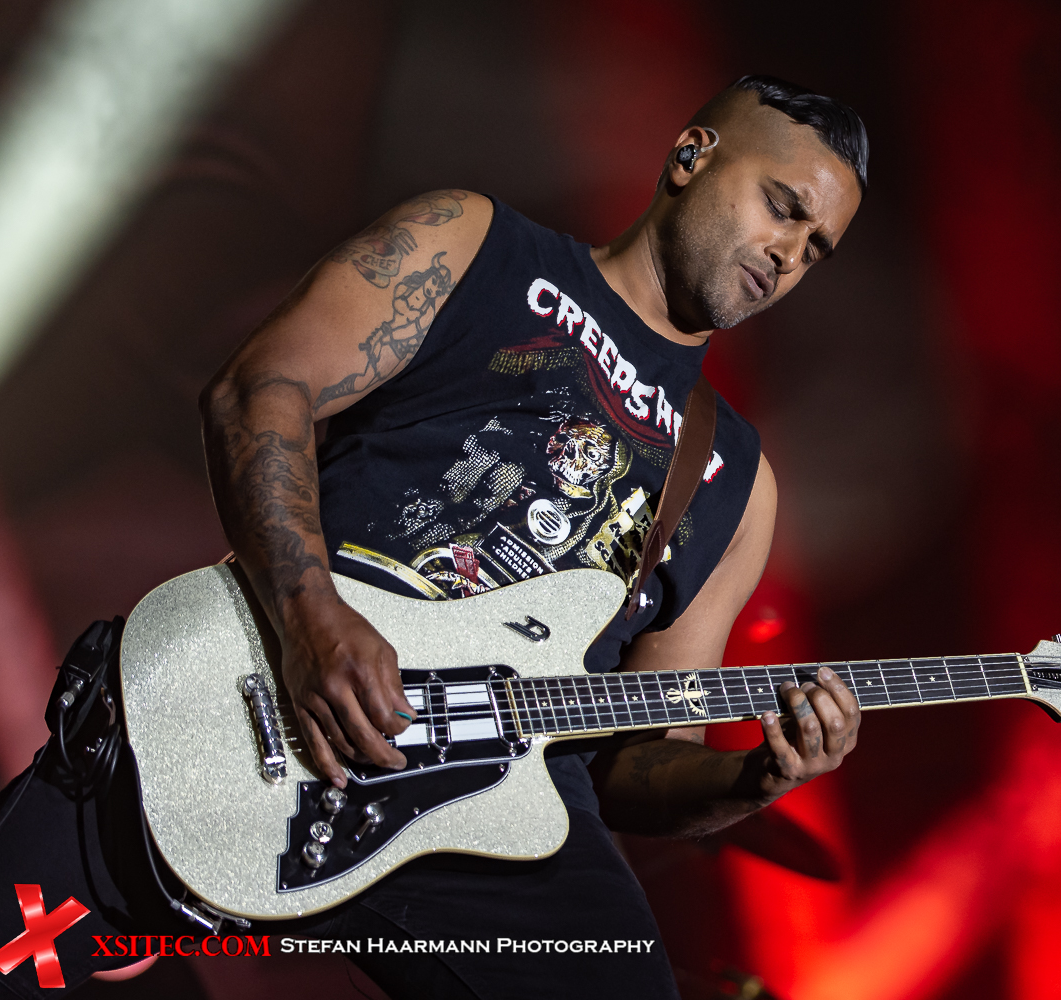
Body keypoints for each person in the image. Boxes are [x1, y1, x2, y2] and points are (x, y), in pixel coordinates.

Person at [197, 74, 868, 999]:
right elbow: (258, 388)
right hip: (267, 698)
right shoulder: (473, 244)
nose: (789, 254)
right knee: (18, 936)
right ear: (690, 157)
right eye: (783, 207)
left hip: (495, 822)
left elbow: (639, 757)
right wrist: (308, 617)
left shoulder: (739, 484)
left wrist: (755, 778)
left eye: (816, 247)